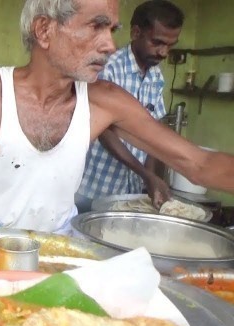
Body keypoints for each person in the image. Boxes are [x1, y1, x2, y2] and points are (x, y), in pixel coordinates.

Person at [0, 0, 234, 235]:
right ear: (45, 30)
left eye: (112, 30)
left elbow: (198, 163)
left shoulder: (106, 103)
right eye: (96, 26)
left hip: (59, 246)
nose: (109, 44)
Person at [76, 0, 183, 213]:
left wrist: (148, 181)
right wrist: (145, 174)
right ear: (136, 33)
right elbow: (103, 131)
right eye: (157, 42)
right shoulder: (107, 68)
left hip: (132, 191)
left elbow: (154, 131)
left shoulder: (156, 76)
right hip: (94, 188)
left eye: (170, 46)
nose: (163, 52)